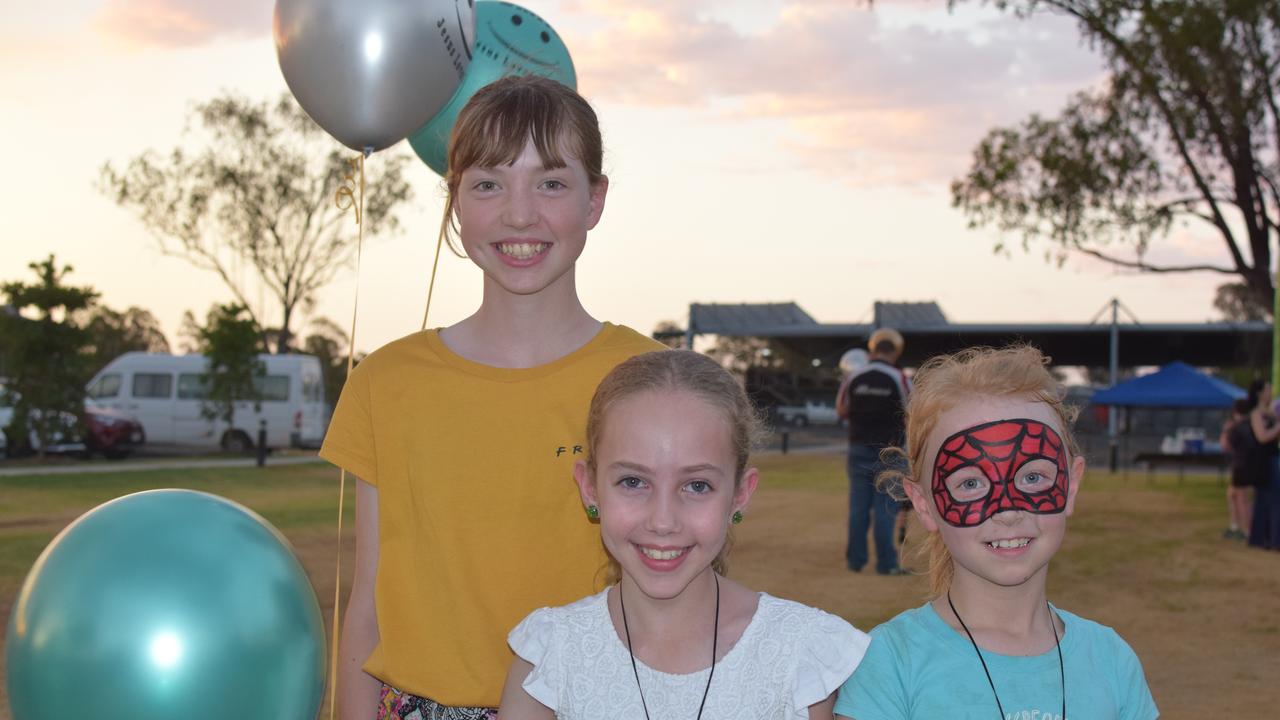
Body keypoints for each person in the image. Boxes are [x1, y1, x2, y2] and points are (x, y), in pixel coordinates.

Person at [320, 76, 665, 719]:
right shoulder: (387, 383)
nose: (520, 213)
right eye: (488, 183)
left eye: (552, 182)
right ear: (454, 201)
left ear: (595, 200)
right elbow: (368, 600)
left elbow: (686, 593)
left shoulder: (654, 380)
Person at [498, 350, 870, 719]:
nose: (663, 521)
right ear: (590, 488)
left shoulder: (804, 659)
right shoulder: (550, 659)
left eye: (696, 486)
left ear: (741, 493)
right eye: (633, 481)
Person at [835, 345, 1158, 720]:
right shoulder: (889, 664)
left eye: (1033, 477)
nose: (1008, 510)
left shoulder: (1112, 660)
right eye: (970, 483)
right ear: (924, 505)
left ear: (1070, 485)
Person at [836, 327, 910, 575]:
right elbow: (912, 412)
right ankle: (886, 563)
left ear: (873, 348)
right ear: (895, 350)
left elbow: (842, 409)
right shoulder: (899, 378)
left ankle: (855, 561)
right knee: (885, 508)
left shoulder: (854, 377)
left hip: (857, 448)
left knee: (858, 507)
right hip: (889, 451)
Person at [1247, 382, 1280, 550]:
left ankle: (1264, 538)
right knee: (1271, 500)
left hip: (1273, 457)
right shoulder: (1256, 414)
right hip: (1263, 460)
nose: (1270, 392)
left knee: (1267, 500)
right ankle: (1272, 540)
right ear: (1260, 393)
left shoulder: (1271, 412)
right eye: (1268, 389)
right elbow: (1262, 437)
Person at [1221, 397, 1256, 540]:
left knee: (1242, 499)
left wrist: (1225, 431)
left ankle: (1246, 530)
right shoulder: (1250, 425)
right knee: (1234, 495)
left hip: (1240, 466)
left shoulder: (1235, 427)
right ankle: (1237, 526)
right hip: (1248, 465)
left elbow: (1225, 446)